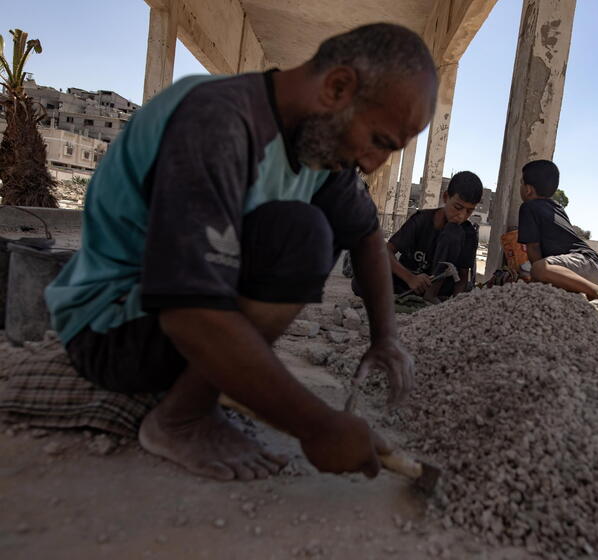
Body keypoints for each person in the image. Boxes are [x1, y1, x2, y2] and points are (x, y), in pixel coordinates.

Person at [44, 24, 438, 481]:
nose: (373, 164)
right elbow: (188, 314)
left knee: (308, 231)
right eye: (380, 142)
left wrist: (384, 336)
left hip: (175, 324)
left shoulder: (318, 145)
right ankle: (180, 419)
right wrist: (317, 426)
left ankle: (202, 387)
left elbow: (367, 233)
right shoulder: (217, 120)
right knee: (302, 234)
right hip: (111, 331)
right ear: (337, 87)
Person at [385, 171, 482, 302]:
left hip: (441, 291)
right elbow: (386, 251)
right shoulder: (422, 220)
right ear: (446, 197)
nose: (462, 216)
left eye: (469, 211)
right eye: (458, 207)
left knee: (453, 232)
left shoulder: (468, 233)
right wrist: (410, 278)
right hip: (407, 283)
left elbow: (463, 278)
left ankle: (430, 297)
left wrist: (454, 305)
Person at [517, 160, 598, 301]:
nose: (520, 187)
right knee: (536, 270)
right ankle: (591, 287)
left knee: (537, 269)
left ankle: (596, 290)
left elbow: (533, 248)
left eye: (521, 183)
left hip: (582, 263)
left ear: (528, 190)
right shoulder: (558, 207)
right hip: (593, 267)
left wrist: (537, 279)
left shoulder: (528, 207)